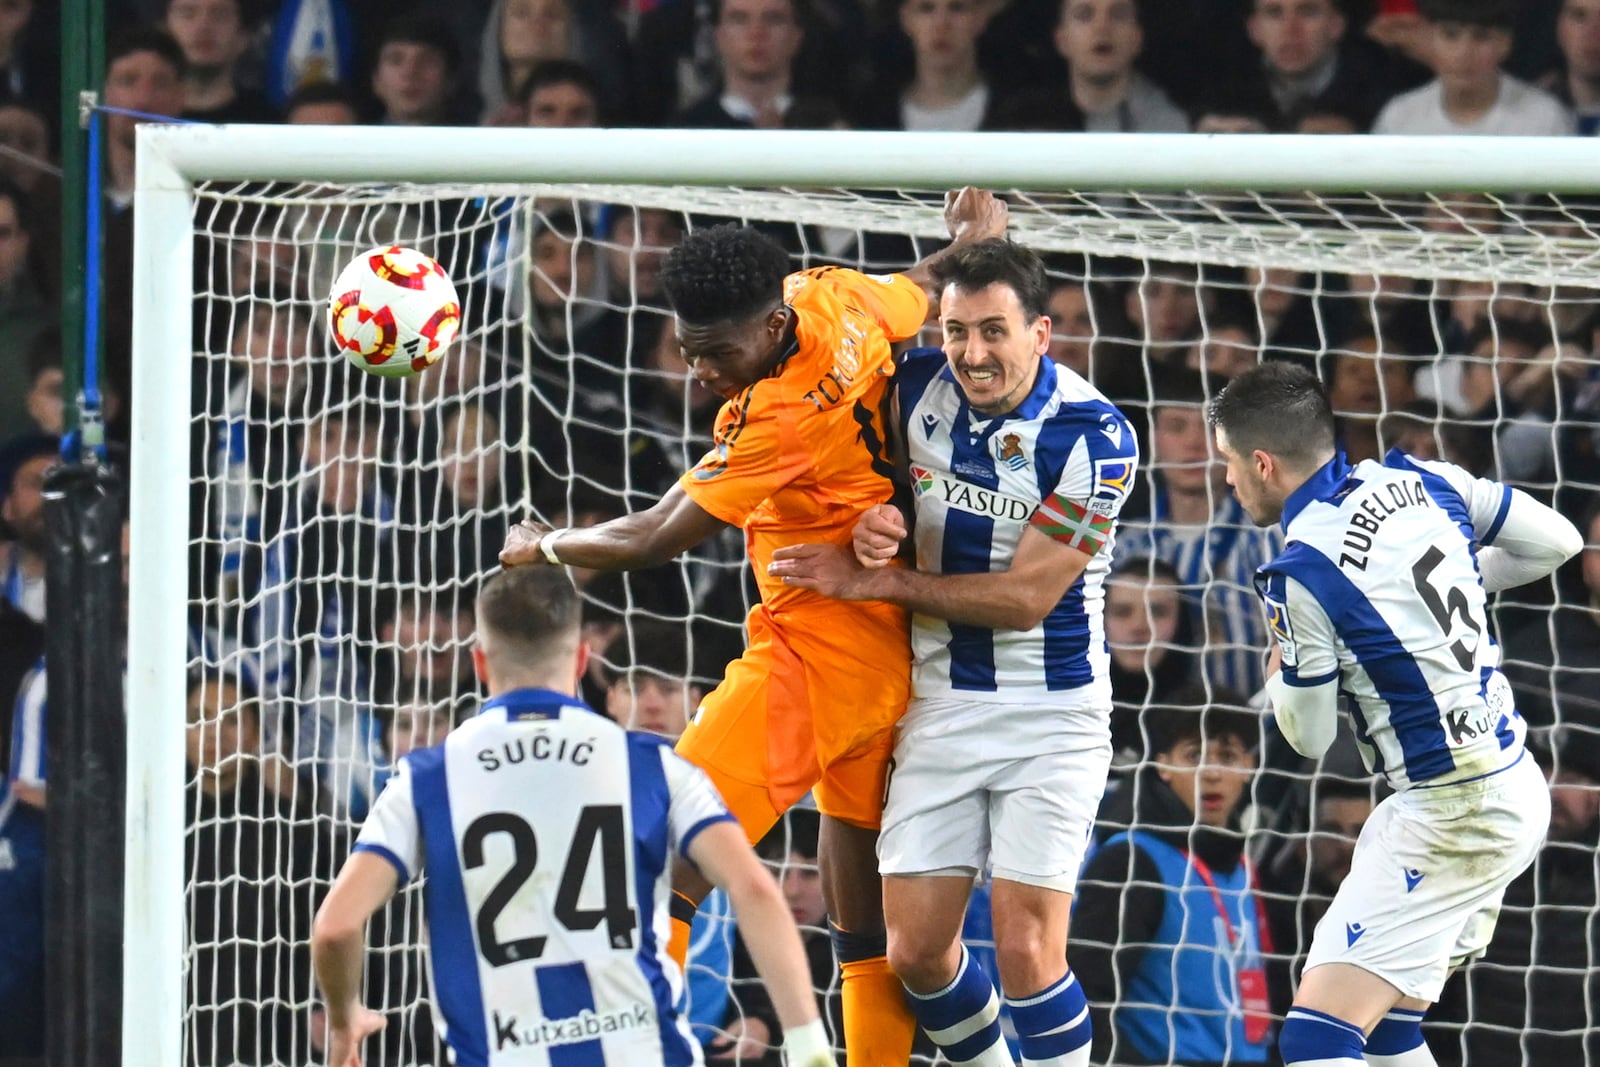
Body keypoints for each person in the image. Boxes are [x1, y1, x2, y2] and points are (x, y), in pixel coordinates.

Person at [499, 187, 1010, 1066]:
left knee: (652, 858)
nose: (701, 372)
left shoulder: (779, 414)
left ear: (772, 326)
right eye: (688, 352)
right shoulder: (832, 294)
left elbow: (655, 534)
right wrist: (970, 241)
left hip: (811, 654)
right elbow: (921, 287)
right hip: (885, 649)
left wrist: (545, 545)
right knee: (858, 904)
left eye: (717, 352)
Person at [770, 237, 1141, 1067]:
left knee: (1026, 950)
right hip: (939, 701)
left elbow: (1024, 598)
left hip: (1052, 715)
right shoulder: (913, 391)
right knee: (916, 953)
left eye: (994, 332)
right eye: (955, 331)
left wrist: (880, 585)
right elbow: (876, 486)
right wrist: (874, 527)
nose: (972, 353)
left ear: (1041, 332)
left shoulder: (1092, 434)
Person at [1207, 360, 1584, 1067]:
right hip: (1508, 782)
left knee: (1317, 1037)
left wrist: (1284, 670)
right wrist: (1464, 578)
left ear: (1261, 463)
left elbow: (1310, 735)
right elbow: (1559, 540)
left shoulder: (1302, 573)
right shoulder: (1424, 480)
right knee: (1387, 1031)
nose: (1227, 480)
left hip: (1451, 814)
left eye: (1228, 463)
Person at [311, 565, 835, 1067]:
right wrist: (806, 1037)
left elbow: (335, 927)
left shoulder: (425, 779)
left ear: (480, 663)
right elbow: (755, 890)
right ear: (584, 660)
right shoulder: (652, 766)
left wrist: (343, 1019)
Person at [1071, 692, 1271, 1066]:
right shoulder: (1131, 861)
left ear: (1250, 766)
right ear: (1163, 765)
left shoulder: (1247, 869)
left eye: (1227, 757)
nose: (1211, 773)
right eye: (1194, 756)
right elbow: (1086, 997)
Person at [1373, 0, 1574, 136]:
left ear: (1505, 43)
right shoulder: (1399, 118)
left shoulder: (1544, 119)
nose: (1464, 52)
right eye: (1450, 35)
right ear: (1431, 37)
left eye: (1481, 37)